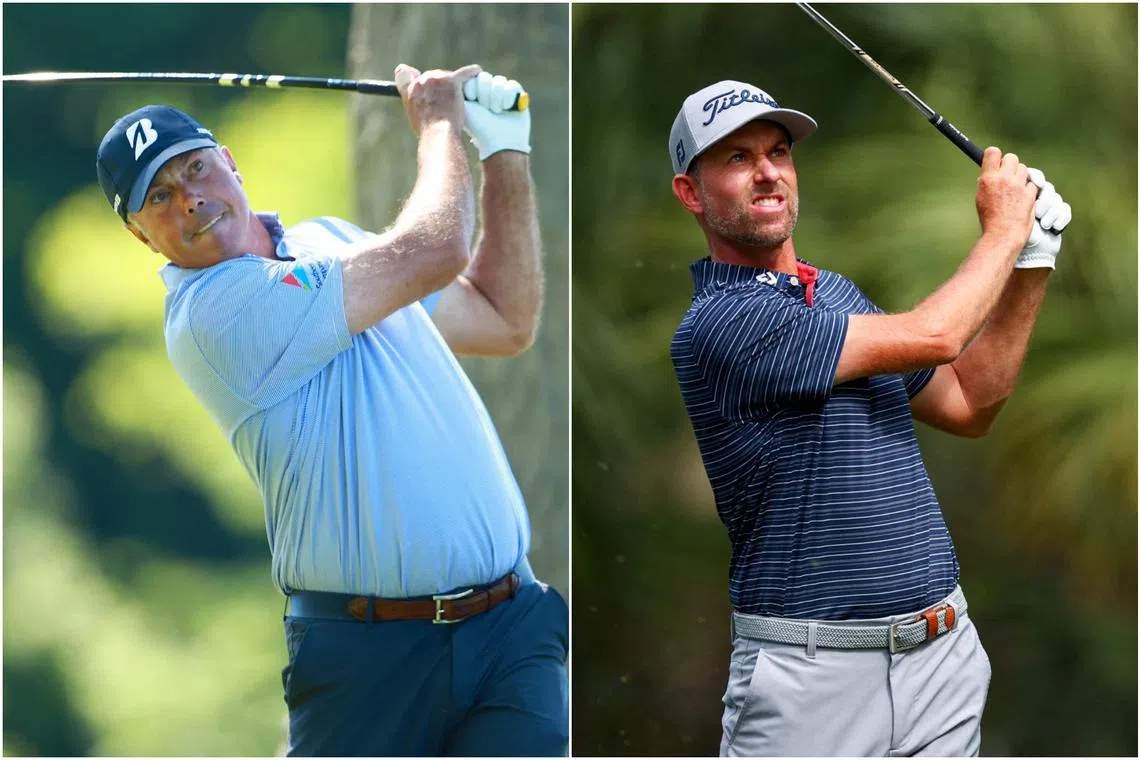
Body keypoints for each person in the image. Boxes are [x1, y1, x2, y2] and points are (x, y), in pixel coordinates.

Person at [95, 63, 567, 757]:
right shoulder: (209, 316)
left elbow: (504, 318)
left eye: (194, 170)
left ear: (230, 163)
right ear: (140, 234)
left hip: (509, 629)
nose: (188, 199)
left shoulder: (332, 240)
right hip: (368, 659)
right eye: (159, 197)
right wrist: (439, 126)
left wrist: (504, 154)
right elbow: (435, 250)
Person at [666, 80, 1071, 757]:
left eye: (777, 152)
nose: (767, 172)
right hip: (812, 684)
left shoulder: (834, 295)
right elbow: (939, 336)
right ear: (691, 193)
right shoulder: (720, 324)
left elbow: (970, 403)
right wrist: (1006, 228)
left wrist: (1031, 259)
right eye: (736, 159)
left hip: (941, 661)